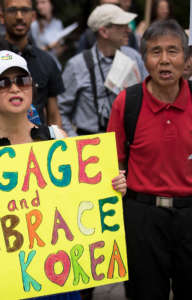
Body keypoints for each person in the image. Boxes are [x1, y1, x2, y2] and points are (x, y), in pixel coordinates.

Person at [0, 50, 127, 300]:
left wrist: (111, 186)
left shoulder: (57, 139)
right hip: (3, 282)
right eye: (3, 83)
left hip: (56, 280)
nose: (15, 89)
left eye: (22, 81)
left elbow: (81, 201)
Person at [107, 19, 192, 300]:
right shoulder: (127, 103)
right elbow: (112, 163)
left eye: (173, 51)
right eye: (156, 52)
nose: (165, 60)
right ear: (144, 59)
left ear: (186, 58)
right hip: (141, 218)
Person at [59, 4, 147, 137]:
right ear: (104, 32)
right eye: (121, 26)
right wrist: (76, 142)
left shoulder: (133, 57)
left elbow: (148, 96)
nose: (128, 30)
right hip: (91, 143)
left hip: (129, 138)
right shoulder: (77, 65)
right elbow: (60, 110)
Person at [0, 0, 65, 128]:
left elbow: (53, 115)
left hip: (37, 143)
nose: (19, 16)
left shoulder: (47, 61)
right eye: (12, 10)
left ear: (33, 17)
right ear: (2, 17)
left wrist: (59, 141)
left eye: (25, 10)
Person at [30, 0, 65, 68]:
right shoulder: (34, 25)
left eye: (43, 2)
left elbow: (59, 51)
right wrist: (49, 47)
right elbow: (32, 51)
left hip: (55, 65)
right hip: (40, 66)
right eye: (37, 3)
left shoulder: (58, 23)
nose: (39, 6)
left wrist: (60, 48)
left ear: (51, 5)